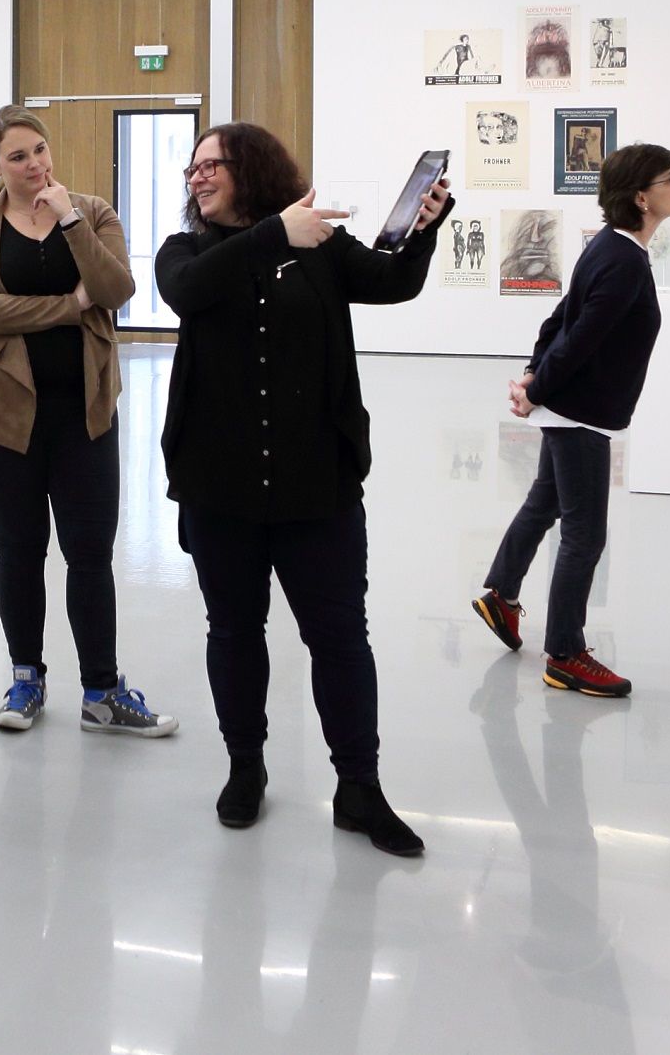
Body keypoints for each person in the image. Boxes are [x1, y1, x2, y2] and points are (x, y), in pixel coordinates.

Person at [155, 122, 446, 856]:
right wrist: (275, 235)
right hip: (219, 490)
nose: (197, 176)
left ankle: (359, 787)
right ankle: (245, 767)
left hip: (319, 487)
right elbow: (190, 294)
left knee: (341, 638)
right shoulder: (186, 252)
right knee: (235, 630)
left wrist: (422, 231)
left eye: (211, 164)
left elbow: (391, 283)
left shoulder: (320, 248)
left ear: (251, 169)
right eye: (191, 168)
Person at [0, 106, 172, 735]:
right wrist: (69, 306)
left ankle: (102, 689)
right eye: (17, 156)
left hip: (84, 410)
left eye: (40, 150)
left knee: (90, 552)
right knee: (19, 547)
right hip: (0, 411)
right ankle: (25, 679)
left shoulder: (93, 211)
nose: (35, 165)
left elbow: (117, 287)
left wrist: (70, 221)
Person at [472, 143, 670, 698]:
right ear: (642, 196)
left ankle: (500, 592)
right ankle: (565, 653)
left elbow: (560, 318)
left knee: (545, 502)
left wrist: (532, 375)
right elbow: (581, 335)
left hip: (572, 407)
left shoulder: (612, 248)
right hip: (582, 414)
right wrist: (535, 385)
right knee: (584, 536)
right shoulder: (620, 258)